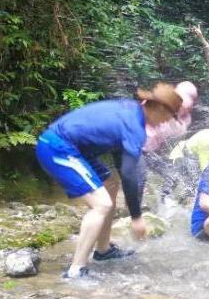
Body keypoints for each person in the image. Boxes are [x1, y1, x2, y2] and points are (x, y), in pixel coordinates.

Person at [35, 83, 183, 279]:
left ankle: (103, 250)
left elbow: (121, 163)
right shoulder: (134, 127)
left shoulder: (130, 110)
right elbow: (130, 173)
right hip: (58, 148)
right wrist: (136, 217)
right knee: (102, 204)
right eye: (168, 117)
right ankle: (76, 270)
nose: (166, 122)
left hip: (72, 149)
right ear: (160, 108)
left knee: (110, 184)